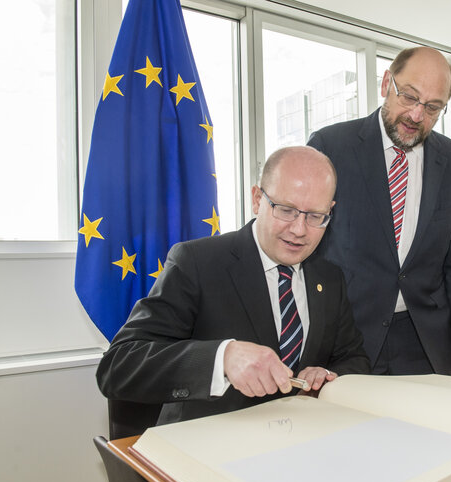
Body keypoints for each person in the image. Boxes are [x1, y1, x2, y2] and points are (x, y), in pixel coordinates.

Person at [97, 146, 370, 424]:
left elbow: (354, 359)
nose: (299, 230)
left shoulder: (329, 277)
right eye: (286, 210)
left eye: (315, 216)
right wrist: (222, 357)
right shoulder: (197, 262)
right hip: (207, 447)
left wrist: (327, 375)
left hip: (299, 442)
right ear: (256, 199)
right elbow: (118, 366)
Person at [308, 46, 451, 376]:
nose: (417, 115)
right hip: (347, 336)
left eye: (433, 108)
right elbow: (308, 248)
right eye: (409, 97)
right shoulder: (331, 147)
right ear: (386, 82)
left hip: (424, 341)